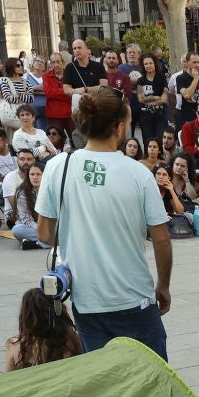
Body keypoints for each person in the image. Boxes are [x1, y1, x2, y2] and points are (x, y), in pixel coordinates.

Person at [35, 86, 173, 358]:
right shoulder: (139, 173)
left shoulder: (57, 166)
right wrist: (164, 285)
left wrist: (79, 237)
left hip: (87, 300)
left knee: (105, 384)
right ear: (120, 127)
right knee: (152, 379)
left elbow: (43, 232)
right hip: (135, 297)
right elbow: (161, 239)